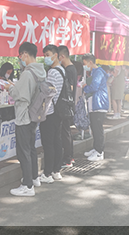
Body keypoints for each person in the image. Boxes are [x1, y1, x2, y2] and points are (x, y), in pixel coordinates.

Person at [9, 42, 44, 197]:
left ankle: (27, 185)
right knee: (31, 149)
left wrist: (9, 88)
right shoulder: (41, 71)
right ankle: (34, 178)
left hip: (24, 116)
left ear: (24, 54)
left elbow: (19, 94)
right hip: (35, 114)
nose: (20, 59)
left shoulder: (28, 73)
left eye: (20, 56)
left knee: (23, 151)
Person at [40, 44, 72, 182]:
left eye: (47, 55)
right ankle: (56, 170)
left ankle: (47, 173)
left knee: (48, 144)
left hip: (50, 111)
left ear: (55, 55)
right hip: (59, 111)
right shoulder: (62, 70)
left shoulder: (52, 72)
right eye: (45, 55)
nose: (46, 58)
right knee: (57, 141)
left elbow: (48, 93)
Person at [80, 56, 109, 161]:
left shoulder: (98, 72)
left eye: (85, 63)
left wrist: (85, 87)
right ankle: (96, 148)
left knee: (97, 129)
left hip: (99, 104)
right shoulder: (95, 72)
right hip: (95, 104)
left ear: (90, 62)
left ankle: (99, 152)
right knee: (94, 128)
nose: (84, 66)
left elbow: (94, 87)